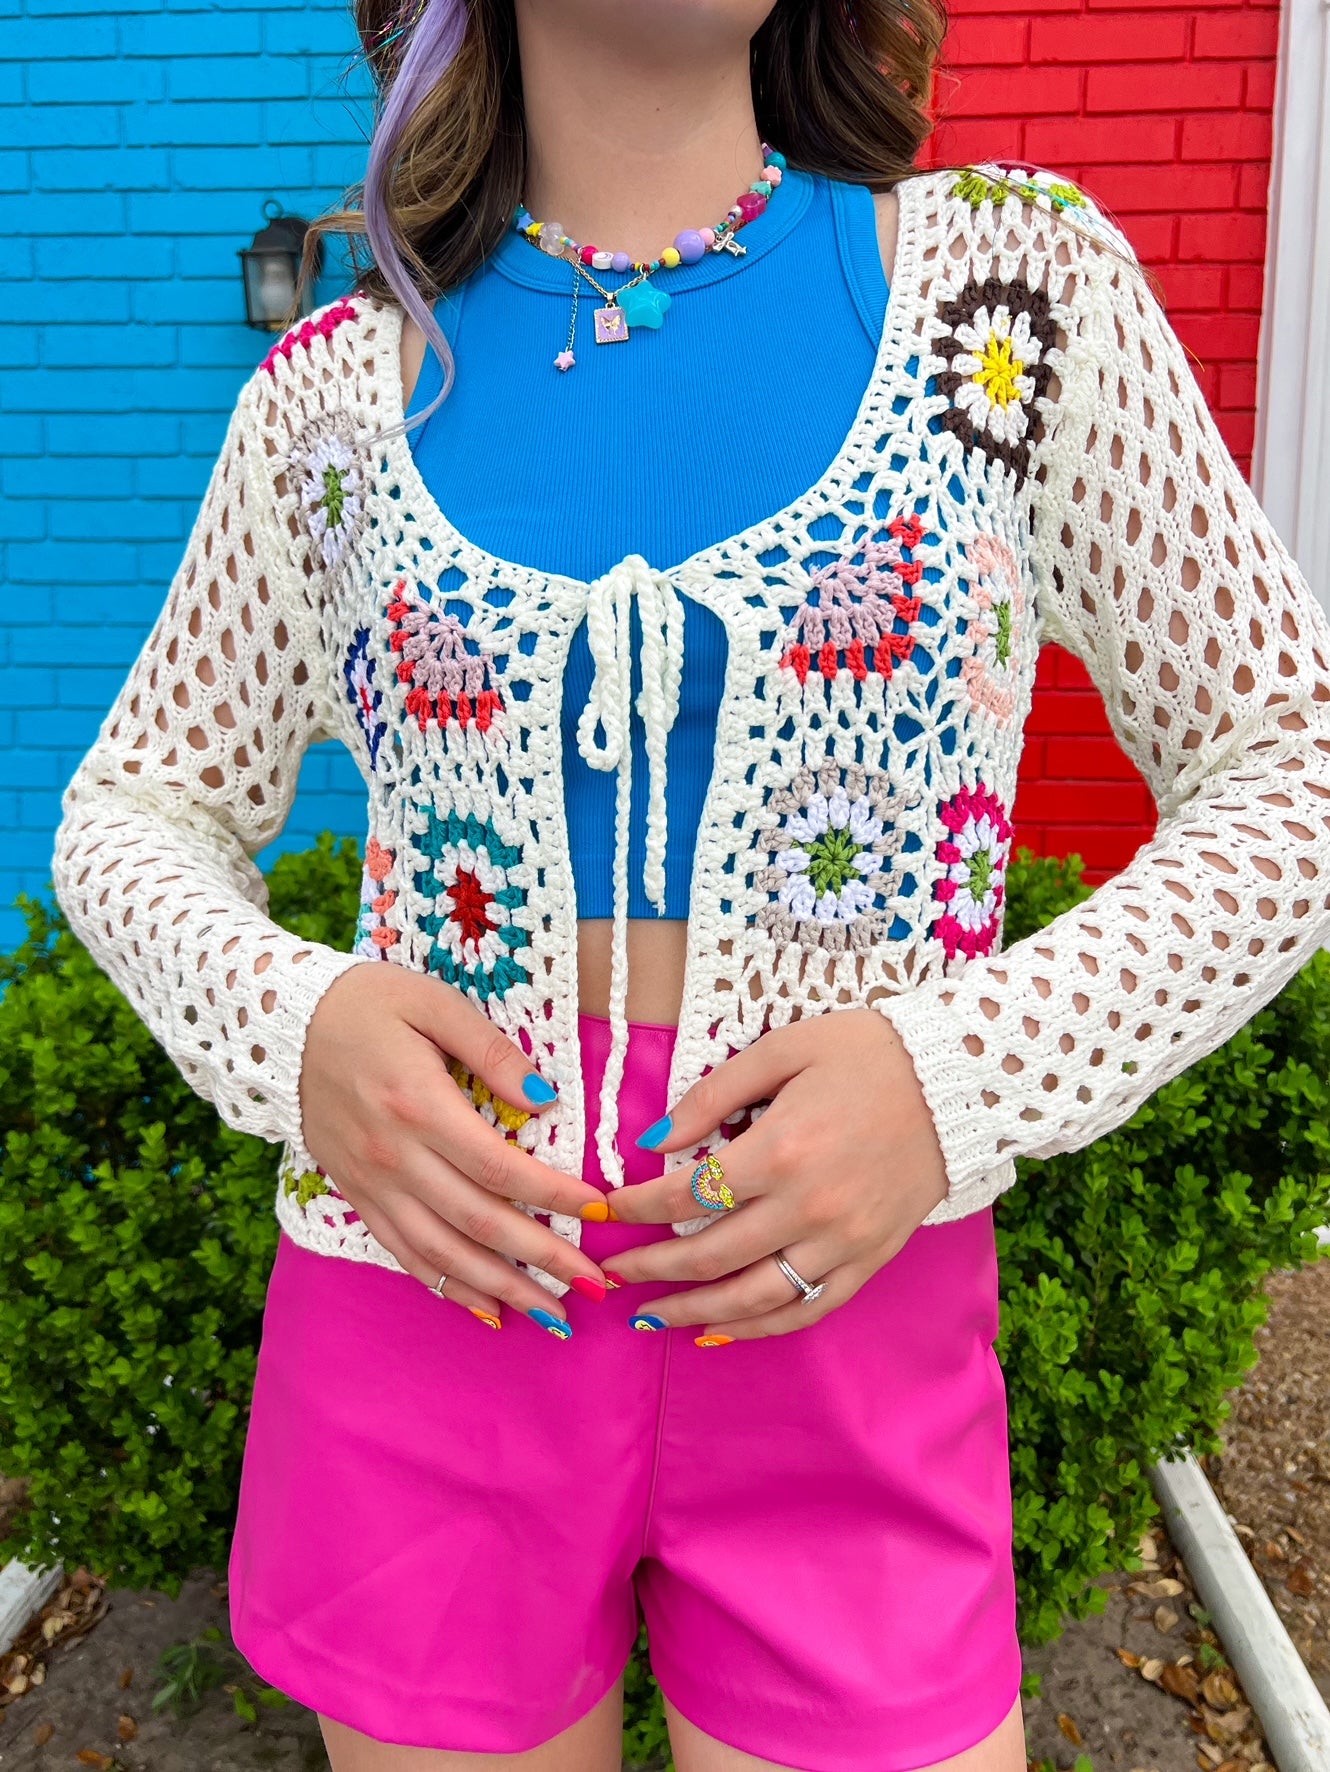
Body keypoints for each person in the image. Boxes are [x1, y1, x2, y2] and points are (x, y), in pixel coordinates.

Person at [51, 1, 1330, 1768]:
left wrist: (956, 1078)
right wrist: (300, 1026)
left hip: (845, 1300)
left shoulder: (1009, 298)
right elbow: (134, 805)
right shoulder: (327, 397)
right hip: (433, 1286)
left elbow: (1288, 760)